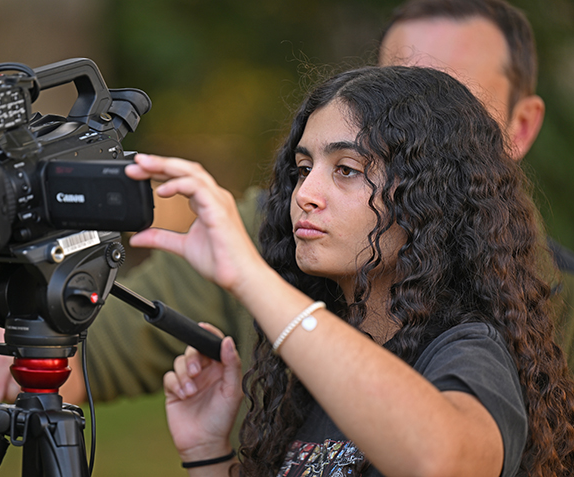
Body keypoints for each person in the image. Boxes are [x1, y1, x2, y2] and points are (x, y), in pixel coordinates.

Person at [0, 0, 574, 408]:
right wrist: (26, 336)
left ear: (518, 127)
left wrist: (254, 282)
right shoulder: (273, 229)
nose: (309, 196)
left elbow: (444, 452)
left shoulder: (532, 311)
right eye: (396, 91)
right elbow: (90, 359)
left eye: (449, 100)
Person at [144, 65, 574, 476]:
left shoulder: (467, 351)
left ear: (428, 197)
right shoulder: (321, 369)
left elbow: (443, 462)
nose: (305, 194)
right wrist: (207, 454)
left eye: (347, 170)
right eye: (303, 168)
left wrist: (250, 275)